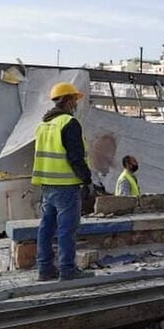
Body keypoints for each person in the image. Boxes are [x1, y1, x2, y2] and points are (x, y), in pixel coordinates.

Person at [32, 82, 94, 281]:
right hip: (66, 186)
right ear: (68, 101)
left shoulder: (43, 124)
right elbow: (75, 157)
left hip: (47, 185)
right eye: (75, 100)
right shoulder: (69, 123)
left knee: (46, 228)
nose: (76, 103)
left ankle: (45, 269)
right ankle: (67, 269)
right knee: (67, 229)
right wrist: (87, 180)